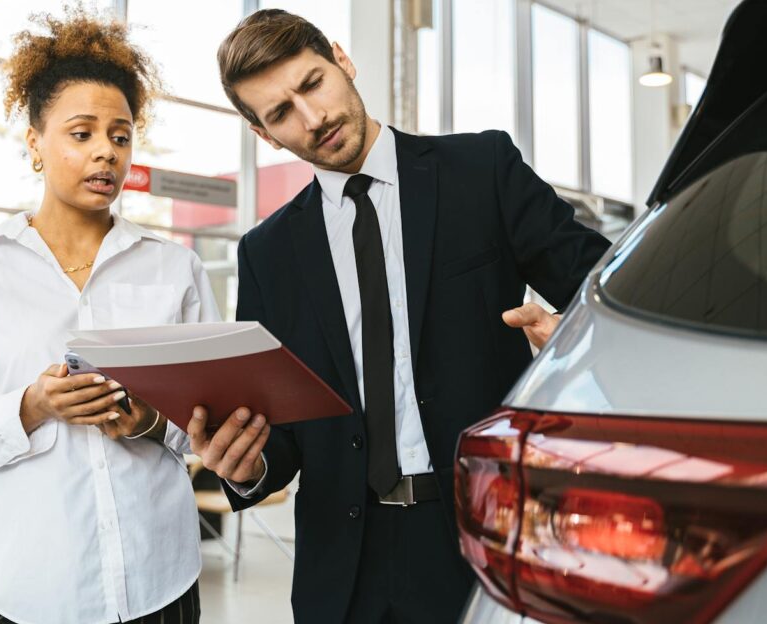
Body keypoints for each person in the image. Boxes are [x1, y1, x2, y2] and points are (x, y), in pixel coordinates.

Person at [186, 9, 612, 624]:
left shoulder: (482, 170)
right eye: (281, 113)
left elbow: (607, 290)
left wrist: (572, 346)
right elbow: (280, 430)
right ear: (264, 134)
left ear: (342, 60)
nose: (313, 118)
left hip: (486, 536)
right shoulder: (266, 252)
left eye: (312, 84)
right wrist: (248, 465)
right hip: (343, 571)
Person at [0, 11, 211, 624]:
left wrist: (151, 422)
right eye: (81, 133)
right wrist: (31, 406)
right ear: (35, 144)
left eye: (120, 136)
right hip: (34, 588)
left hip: (161, 580)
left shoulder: (175, 268)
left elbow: (208, 416)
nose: (105, 151)